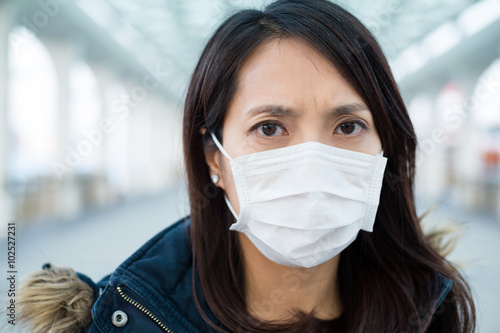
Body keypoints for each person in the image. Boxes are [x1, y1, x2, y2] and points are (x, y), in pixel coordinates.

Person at [18, 0, 476, 332]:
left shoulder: (428, 311)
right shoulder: (128, 320)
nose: (312, 163)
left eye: (348, 126)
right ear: (214, 158)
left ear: (385, 149)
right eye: (271, 128)